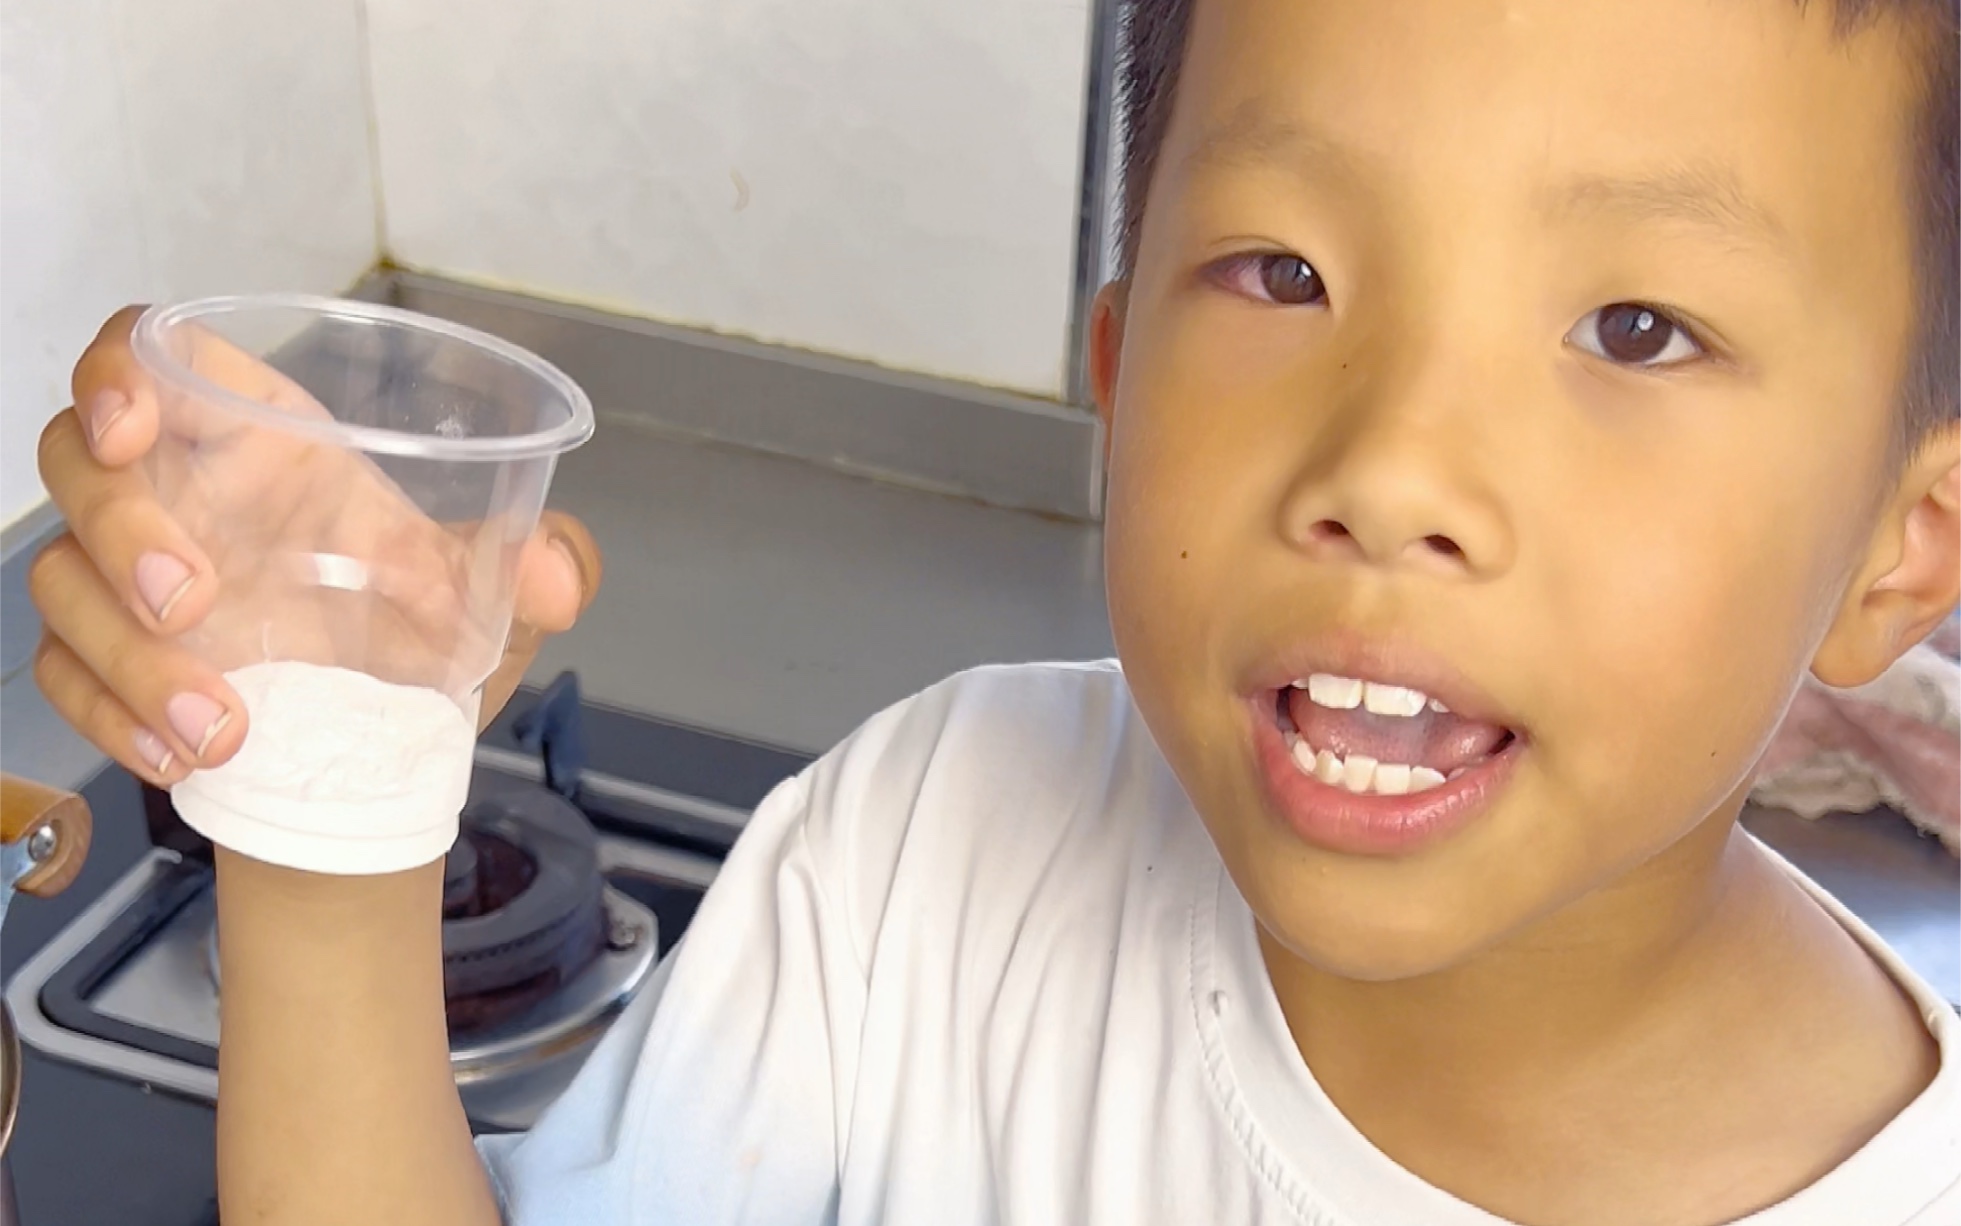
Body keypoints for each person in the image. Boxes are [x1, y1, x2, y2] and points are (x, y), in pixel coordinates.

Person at [27, 0, 1961, 1221]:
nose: (1391, 468)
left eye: (1634, 328)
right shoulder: (929, 855)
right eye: (1282, 272)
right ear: (1117, 379)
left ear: (1902, 544)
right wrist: (326, 795)